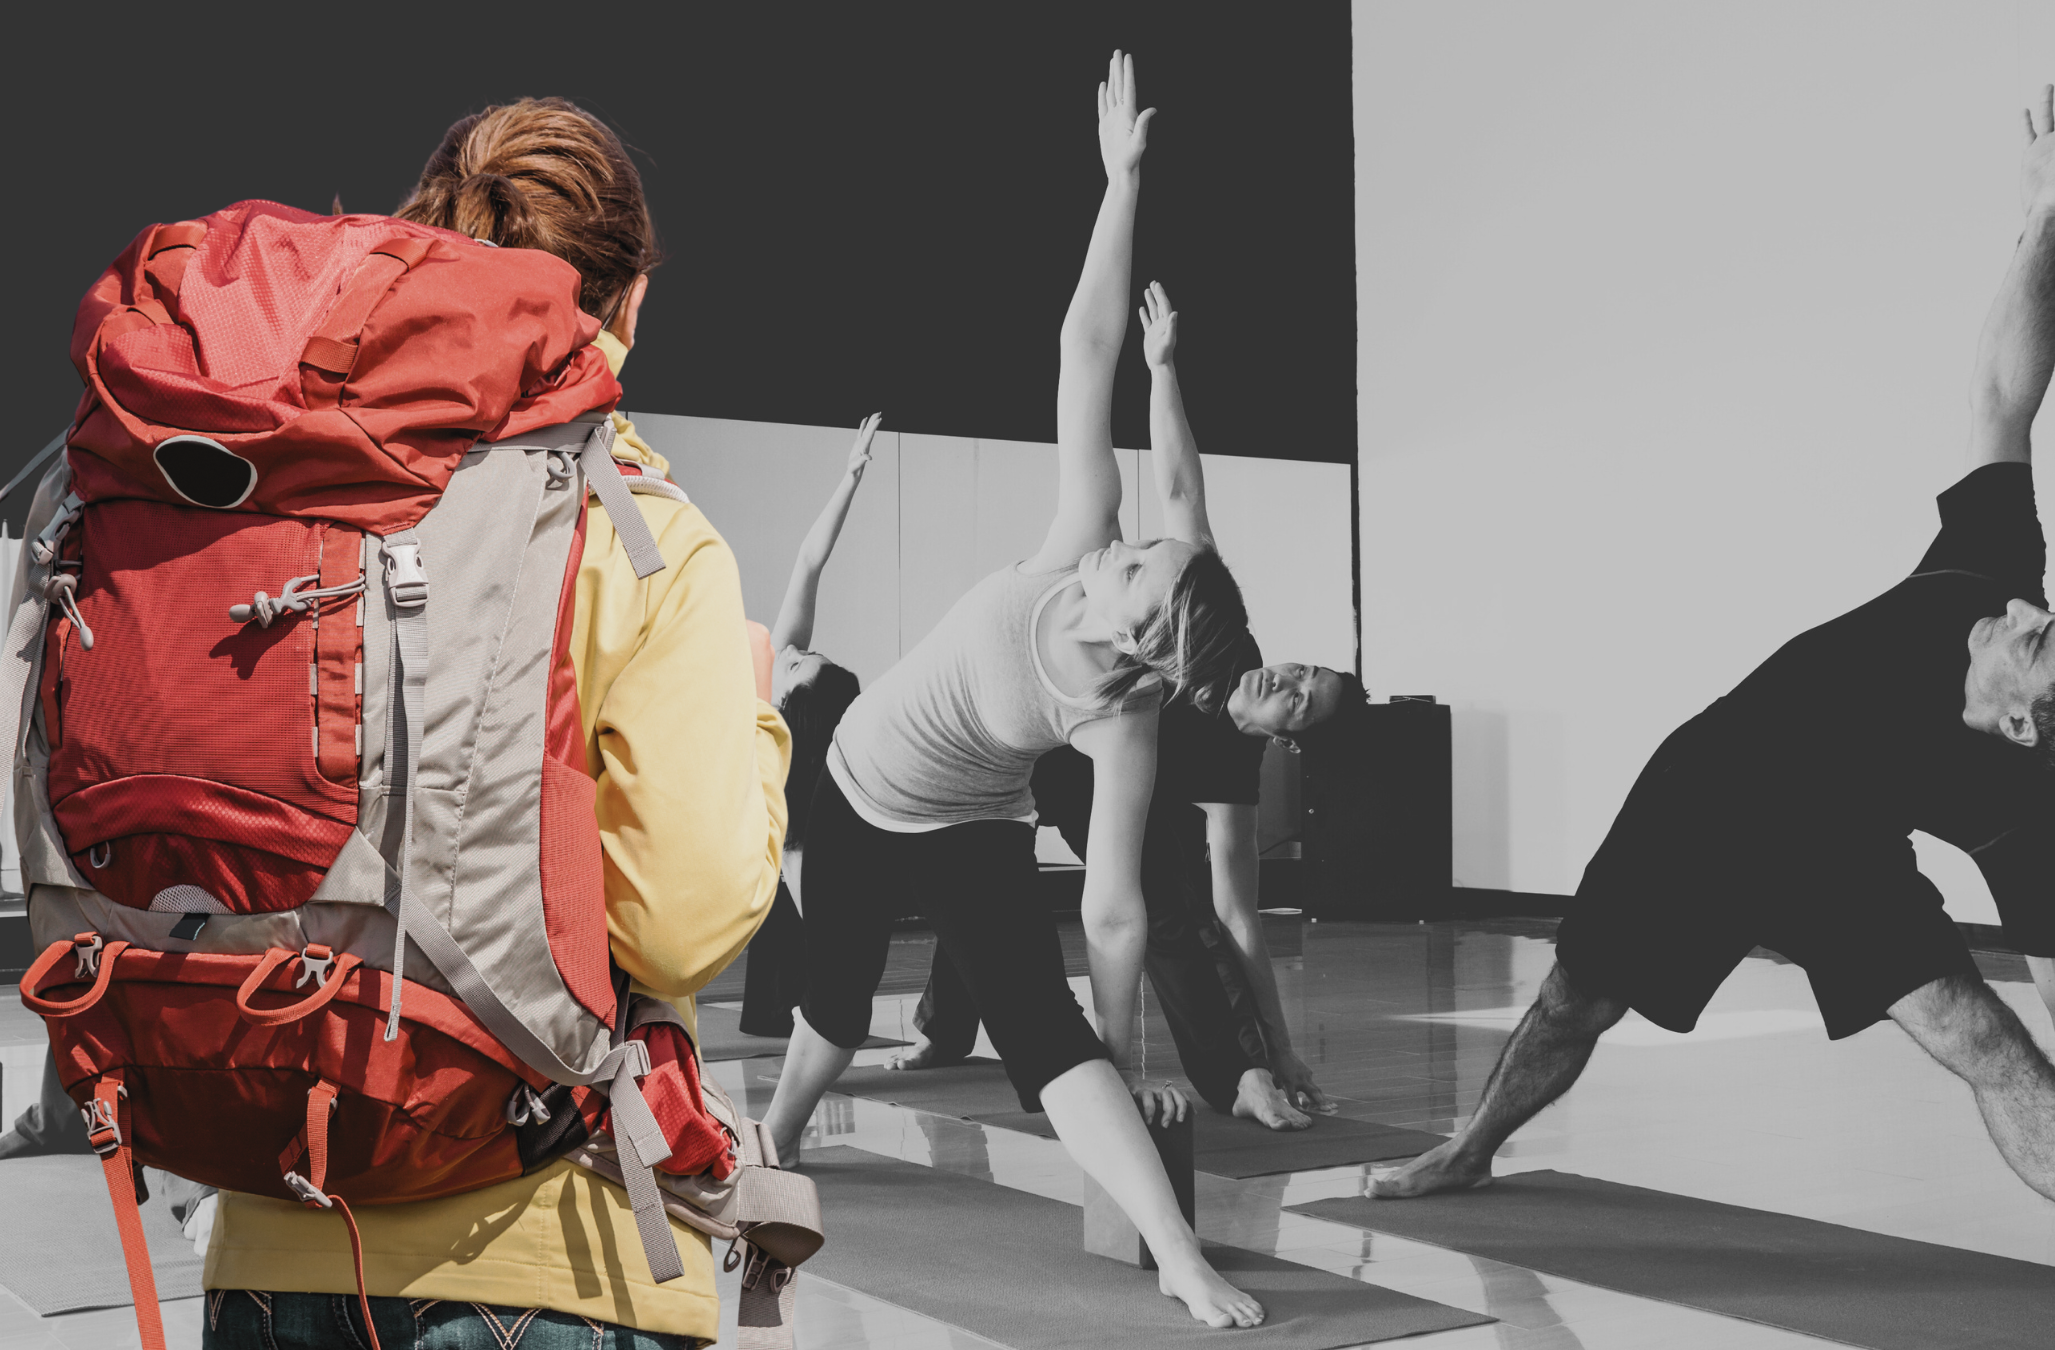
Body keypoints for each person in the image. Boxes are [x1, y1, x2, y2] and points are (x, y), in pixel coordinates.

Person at [1367, 77, 2055, 1350]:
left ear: (2028, 725)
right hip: (1707, 792)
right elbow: (2007, 392)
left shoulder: (2029, 814)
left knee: (1987, 1039)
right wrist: (2046, 217)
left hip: (1834, 856)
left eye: (2046, 635)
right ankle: (1469, 1149)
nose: (2027, 608)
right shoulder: (1991, 558)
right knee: (1576, 998)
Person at [200, 96, 790, 1350]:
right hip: (540, 1254)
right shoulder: (641, 531)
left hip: (266, 1231)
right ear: (627, 306)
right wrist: (757, 717)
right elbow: (680, 923)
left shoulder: (294, 505)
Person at [759, 53, 1264, 1330]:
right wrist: (1121, 186)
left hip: (970, 824)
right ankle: (775, 1131)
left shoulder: (1122, 718)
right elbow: (1085, 344)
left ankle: (1178, 1256)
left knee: (1049, 1045)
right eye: (1147, 548)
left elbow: (1114, 911)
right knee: (827, 1009)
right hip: (859, 783)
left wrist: (1120, 1047)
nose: (1120, 552)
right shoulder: (1076, 539)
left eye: (1138, 579)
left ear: (1144, 654)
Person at [893, 282, 1361, 1130]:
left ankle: (1233, 1078)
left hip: (1101, 776)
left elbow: (1238, 925)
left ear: (1290, 739)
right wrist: (1163, 369)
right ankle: (944, 1030)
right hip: (1042, 729)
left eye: (1301, 704)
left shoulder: (1234, 779)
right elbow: (1182, 495)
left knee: (1172, 908)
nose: (1286, 684)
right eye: (1305, 670)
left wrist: (1275, 1051)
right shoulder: (1217, 631)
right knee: (984, 874)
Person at [739, 413, 882, 1036]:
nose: (794, 649)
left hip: (753, 833)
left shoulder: (770, 720)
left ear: (796, 706)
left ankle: (812, 1003)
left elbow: (798, 879)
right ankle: (799, 1001)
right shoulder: (774, 668)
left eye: (802, 663)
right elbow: (810, 560)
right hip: (747, 833)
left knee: (793, 885)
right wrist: (849, 478)